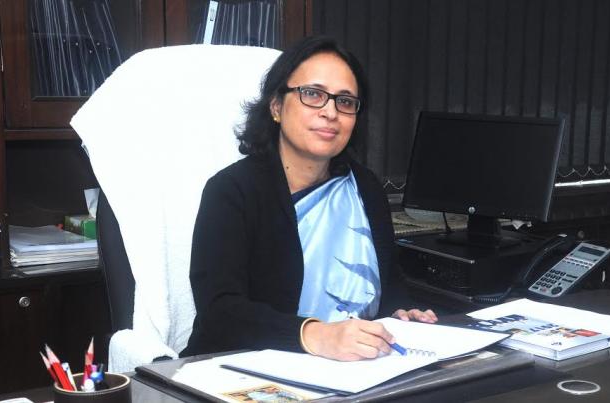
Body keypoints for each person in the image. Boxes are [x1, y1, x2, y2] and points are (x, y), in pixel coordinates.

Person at [181, 36, 436, 361]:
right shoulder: (231, 190)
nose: (331, 112)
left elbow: (388, 282)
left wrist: (403, 312)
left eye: (345, 101)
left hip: (357, 368)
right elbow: (220, 311)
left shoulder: (365, 187)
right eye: (313, 94)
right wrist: (314, 334)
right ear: (276, 106)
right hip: (242, 368)